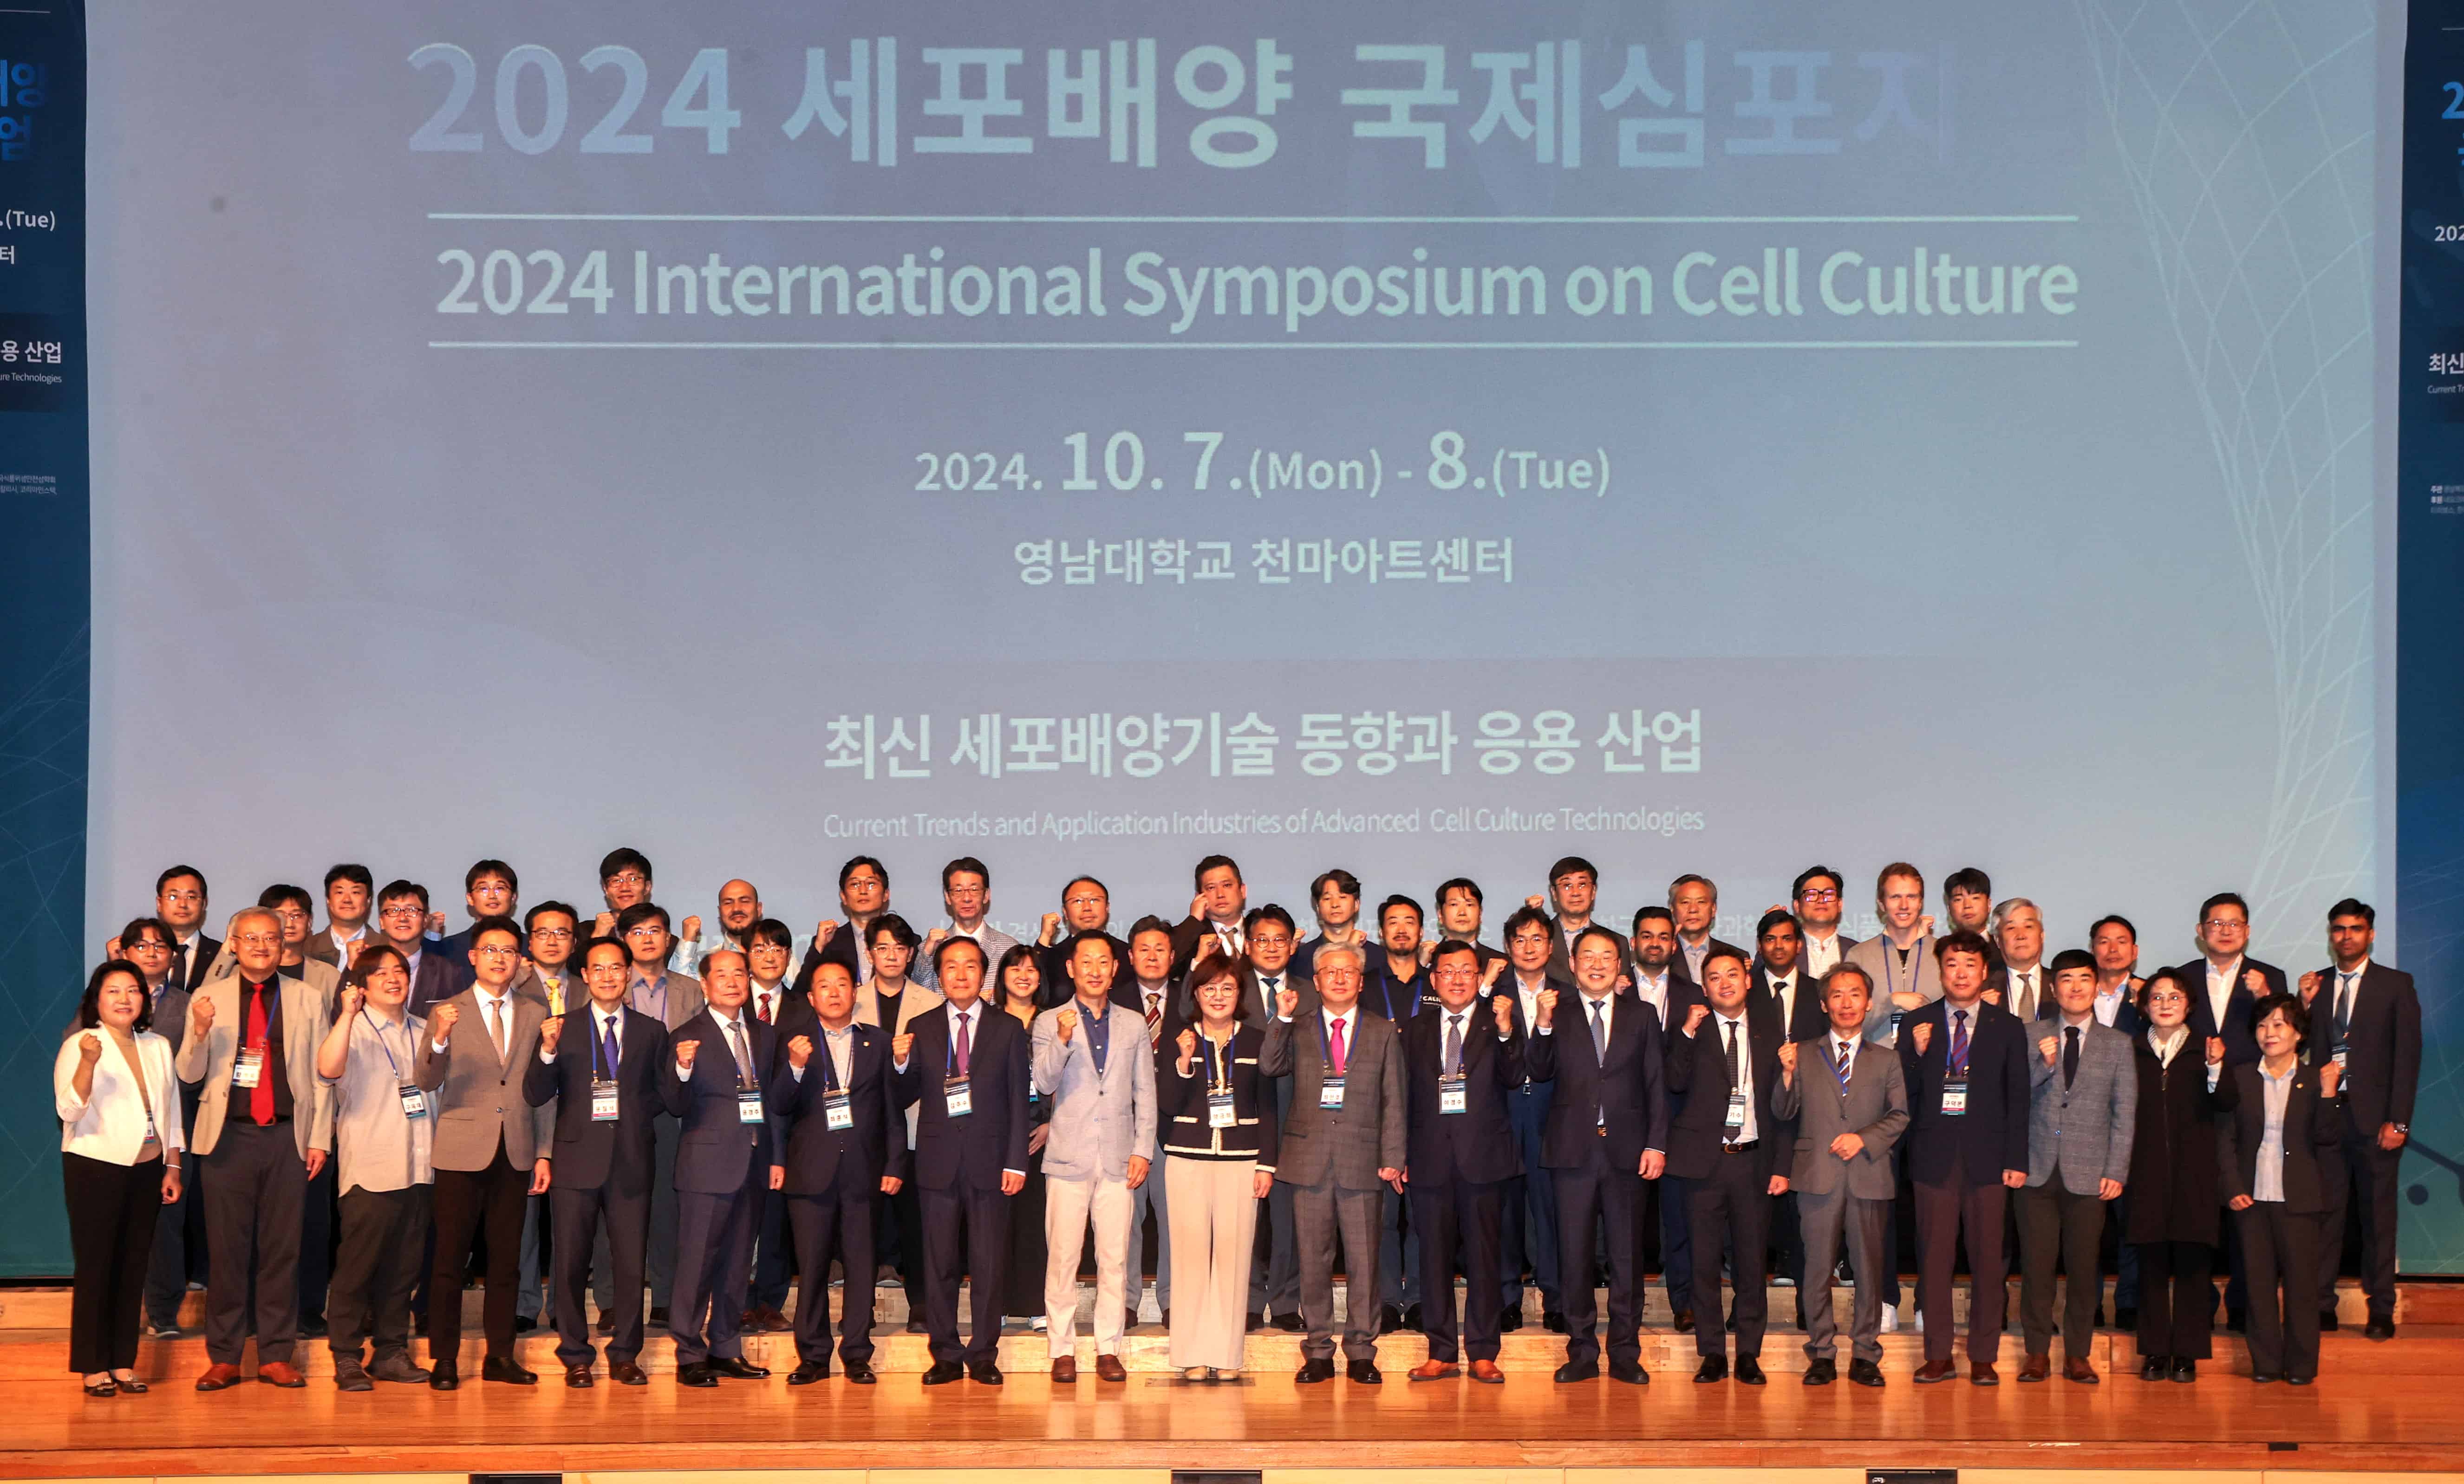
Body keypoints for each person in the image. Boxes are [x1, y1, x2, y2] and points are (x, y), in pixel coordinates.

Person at [176, 905, 332, 1392]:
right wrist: (200, 1031)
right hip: (228, 1138)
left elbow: (323, 1076)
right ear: (234, 944)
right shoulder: (208, 997)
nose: (262, 946)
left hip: (288, 1136)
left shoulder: (307, 998)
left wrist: (319, 1137)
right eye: (251, 938)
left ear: (283, 944)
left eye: (271, 938)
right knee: (227, 1251)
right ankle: (224, 1356)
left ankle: (276, 1355)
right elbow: (188, 1073)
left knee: (282, 1251)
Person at [1525, 924, 1669, 1385]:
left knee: (1627, 1257)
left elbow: (1655, 1083)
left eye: (1606, 956)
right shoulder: (1556, 1011)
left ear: (1619, 964)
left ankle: (1625, 1352)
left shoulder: (1642, 1014)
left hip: (1627, 1152)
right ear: (1571, 964)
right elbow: (1538, 1070)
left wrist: (1656, 1143)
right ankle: (1582, 1351)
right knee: (1574, 1257)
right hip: (1571, 1152)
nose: (1596, 964)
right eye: (1587, 956)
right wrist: (1542, 1024)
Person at [1259, 943, 1407, 1385]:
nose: (1340, 978)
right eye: (1330, 972)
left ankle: (1362, 1351)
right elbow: (1269, 1066)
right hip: (1308, 1160)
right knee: (1312, 1261)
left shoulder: (1383, 1031)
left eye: (1348, 972)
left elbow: (1394, 1098)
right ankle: (1319, 1350)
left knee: (1365, 1262)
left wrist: (1393, 1156)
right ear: (1316, 981)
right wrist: (1281, 1018)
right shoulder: (1298, 1026)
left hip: (1363, 1161)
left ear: (1361, 982)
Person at [413, 916, 551, 1389]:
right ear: (473, 957)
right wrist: (439, 1038)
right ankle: (445, 1359)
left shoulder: (535, 1012)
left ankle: (500, 1356)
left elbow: (542, 1090)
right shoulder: (447, 1010)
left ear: (519, 960)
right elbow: (426, 1079)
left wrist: (545, 1152)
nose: (499, 958)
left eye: (509, 951)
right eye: (491, 949)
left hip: (516, 1150)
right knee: (449, 1261)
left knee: (506, 1263)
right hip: (460, 1152)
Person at [523, 935, 665, 1387]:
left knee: (630, 1266)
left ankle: (626, 1354)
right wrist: (547, 1050)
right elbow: (535, 1093)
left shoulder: (651, 1031)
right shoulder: (560, 1027)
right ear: (584, 976)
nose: (607, 976)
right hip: (575, 1161)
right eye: (598, 968)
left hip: (631, 1161)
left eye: (616, 968)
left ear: (628, 974)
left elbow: (660, 1096)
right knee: (568, 1264)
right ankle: (575, 1355)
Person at [893, 936, 1030, 1386]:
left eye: (970, 965)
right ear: (940, 975)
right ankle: (946, 1354)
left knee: (987, 1263)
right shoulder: (922, 1025)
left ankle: (984, 1353)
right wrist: (900, 1063)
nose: (960, 974)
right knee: (939, 1263)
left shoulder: (1008, 1028)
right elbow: (902, 1095)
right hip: (936, 1161)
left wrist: (1016, 1161)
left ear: (983, 973)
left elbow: (1018, 1100)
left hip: (992, 1162)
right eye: (951, 966)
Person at [1899, 930, 2028, 1385]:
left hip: (1989, 1160)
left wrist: (2016, 1158)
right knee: (1934, 1262)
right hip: (1933, 1159)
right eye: (1951, 964)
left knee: (1989, 1263)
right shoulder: (1918, 1023)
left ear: (1983, 971)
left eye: (1969, 965)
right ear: (1941, 971)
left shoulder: (2007, 1026)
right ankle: (1938, 1355)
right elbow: (1902, 1094)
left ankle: (1983, 1356)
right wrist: (1917, 1055)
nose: (1960, 973)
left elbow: (2018, 1098)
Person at [770, 958, 906, 1384]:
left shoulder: (877, 1042)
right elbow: (778, 1105)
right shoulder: (792, 1042)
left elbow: (892, 1110)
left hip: (864, 1170)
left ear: (854, 993)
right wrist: (794, 1066)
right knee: (812, 1268)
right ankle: (813, 1355)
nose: (833, 992)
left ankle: (858, 1353)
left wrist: (895, 1162)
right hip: (810, 1171)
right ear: (811, 998)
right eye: (824, 986)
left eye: (842, 984)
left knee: (862, 1266)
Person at [1033, 931, 1159, 1383]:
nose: (1094, 970)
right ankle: (1062, 1349)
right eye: (1085, 961)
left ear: (1115, 968)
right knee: (1063, 1258)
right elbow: (1043, 1083)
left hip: (1118, 1158)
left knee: (1114, 1259)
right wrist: (1063, 1039)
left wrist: (1143, 1149)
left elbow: (1145, 1091)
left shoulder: (1133, 1023)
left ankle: (1109, 1348)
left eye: (1103, 961)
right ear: (1070, 968)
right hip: (1068, 1157)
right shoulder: (1049, 1021)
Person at [1665, 946, 1794, 1385]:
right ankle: (1712, 1353)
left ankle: (1749, 1354)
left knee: (1751, 1265)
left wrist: (1782, 1166)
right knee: (1703, 1265)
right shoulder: (1690, 1029)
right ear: (1704, 988)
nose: (1725, 983)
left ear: (1748, 981)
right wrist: (1685, 1032)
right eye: (1715, 977)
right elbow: (1673, 1082)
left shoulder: (1770, 1032)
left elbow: (1784, 1109)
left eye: (1732, 975)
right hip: (1703, 1165)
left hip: (1753, 1163)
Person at [58, 959, 184, 1396]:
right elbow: (68, 1110)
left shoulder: (158, 1046)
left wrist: (173, 1165)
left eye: (133, 990)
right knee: (97, 1266)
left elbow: (171, 1110)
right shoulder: (80, 1044)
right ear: (96, 999)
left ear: (144, 1000)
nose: (124, 999)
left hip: (147, 1167)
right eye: (113, 991)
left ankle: (122, 1362)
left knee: (133, 1267)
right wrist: (88, 1063)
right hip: (95, 1165)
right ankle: (93, 1366)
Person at [312, 944, 435, 1390]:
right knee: (357, 1269)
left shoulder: (426, 1030)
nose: (393, 978)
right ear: (361, 985)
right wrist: (347, 1015)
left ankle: (390, 1352)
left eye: (400, 970)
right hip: (371, 1166)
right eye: (381, 973)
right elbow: (327, 1070)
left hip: (422, 1166)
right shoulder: (353, 1028)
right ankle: (346, 1355)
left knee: (404, 1269)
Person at [1398, 941, 1522, 1383]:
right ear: (1434, 979)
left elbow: (1516, 1077)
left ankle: (1484, 1352)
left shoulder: (1497, 1022)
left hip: (1484, 1160)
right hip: (1428, 1159)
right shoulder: (1413, 1030)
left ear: (1479, 978)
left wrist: (1507, 1032)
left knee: (1485, 1258)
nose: (1457, 979)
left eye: (1467, 971)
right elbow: (1402, 1097)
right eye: (1448, 971)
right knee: (1432, 1259)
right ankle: (1441, 1351)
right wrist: (1399, 1154)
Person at [2015, 948, 2137, 1384]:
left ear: (2096, 986)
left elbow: (2124, 1113)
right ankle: (2036, 1353)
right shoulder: (2029, 1036)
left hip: (2090, 1174)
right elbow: (2013, 1099)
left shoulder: (2118, 1044)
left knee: (2085, 1270)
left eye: (2085, 978)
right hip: (2035, 1170)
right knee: (2037, 1269)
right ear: (2054, 987)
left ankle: (2078, 1355)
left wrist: (2117, 1170)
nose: (2076, 987)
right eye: (2066, 979)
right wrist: (2044, 1066)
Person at [659, 949, 780, 1386]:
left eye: (739, 974)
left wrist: (777, 1158)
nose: (732, 982)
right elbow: (673, 1103)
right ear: (705, 985)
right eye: (722, 975)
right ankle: (690, 1353)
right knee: (697, 1264)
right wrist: (683, 1068)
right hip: (706, 1167)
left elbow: (774, 1104)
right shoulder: (686, 1036)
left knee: (736, 1265)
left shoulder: (765, 1036)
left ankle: (726, 1348)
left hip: (754, 1163)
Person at [2303, 898, 2418, 1341]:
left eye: (2355, 929)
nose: (2346, 936)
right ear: (2330, 935)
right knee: (2325, 1216)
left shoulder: (2396, 984)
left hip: (2377, 1122)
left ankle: (2381, 1309)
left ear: (2370, 935)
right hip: (2327, 1116)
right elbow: (2299, 1047)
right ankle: (2321, 1306)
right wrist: (2303, 1004)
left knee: (2378, 1217)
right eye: (2339, 929)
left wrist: (2399, 1122)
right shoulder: (2316, 986)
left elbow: (2407, 1058)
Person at [1785, 965, 1906, 1387]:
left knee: (1869, 1269)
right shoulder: (1801, 1054)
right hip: (1817, 1175)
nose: (1846, 1003)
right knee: (1817, 1269)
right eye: (1837, 995)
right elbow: (1783, 1110)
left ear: (1868, 1003)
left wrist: (1863, 1139)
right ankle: (1821, 1353)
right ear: (1824, 1005)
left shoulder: (1887, 1059)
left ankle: (1866, 1354)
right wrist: (1786, 1075)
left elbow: (1900, 1115)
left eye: (1855, 994)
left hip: (1869, 1174)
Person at [1160, 951, 1278, 1380]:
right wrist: (1184, 1062)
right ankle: (1191, 1355)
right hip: (1186, 1159)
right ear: (1196, 994)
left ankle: (1227, 1356)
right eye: (1209, 988)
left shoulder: (1257, 1040)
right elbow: (1167, 1103)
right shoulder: (1179, 1037)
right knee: (1189, 1258)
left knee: (1234, 1257)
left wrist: (1267, 1164)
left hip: (1241, 1160)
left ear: (1239, 994)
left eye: (1227, 988)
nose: (1218, 996)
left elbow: (1268, 1107)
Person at [2219, 993, 2344, 1385]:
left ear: (2298, 1034)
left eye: (2278, 1024)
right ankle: (2267, 1364)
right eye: (2262, 1025)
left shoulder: (2315, 1079)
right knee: (2258, 1287)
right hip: (2252, 1198)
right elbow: (2225, 1139)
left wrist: (2329, 1093)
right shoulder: (2240, 1077)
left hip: (2300, 1199)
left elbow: (2327, 1139)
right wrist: (2232, 1186)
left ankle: (2302, 1366)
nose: (2269, 1033)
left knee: (2302, 1289)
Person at [2124, 970, 2230, 1381]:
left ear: (2189, 1005)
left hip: (2195, 1175)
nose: (2165, 1004)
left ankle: (2187, 1352)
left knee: (2193, 1266)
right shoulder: (2131, 1051)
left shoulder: (2207, 1049)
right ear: (2144, 1006)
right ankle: (2154, 1351)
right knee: (2150, 1267)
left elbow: (2228, 1102)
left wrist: (2216, 1067)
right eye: (2156, 997)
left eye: (2175, 997)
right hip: (2145, 1173)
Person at [619, 900, 705, 1326]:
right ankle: (617, 1303)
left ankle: (666, 1298)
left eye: (655, 931)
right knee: (622, 1206)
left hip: (674, 1109)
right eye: (637, 932)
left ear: (669, 939)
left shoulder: (691, 989)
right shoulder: (613, 982)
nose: (647, 939)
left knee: (668, 1207)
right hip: (621, 1108)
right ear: (624, 940)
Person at [1491, 905, 1566, 1334]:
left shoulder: (1569, 995)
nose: (1529, 947)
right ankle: (1507, 1299)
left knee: (1551, 1211)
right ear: (1508, 947)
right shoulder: (1490, 994)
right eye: (1520, 940)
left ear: (1551, 947)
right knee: (1505, 1212)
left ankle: (1556, 1298)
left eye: (1537, 939)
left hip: (1550, 1114)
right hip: (1503, 1114)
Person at [1627, 905, 1700, 1331]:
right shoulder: (1612, 989)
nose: (1655, 944)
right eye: (1647, 936)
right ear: (1633, 942)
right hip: (1621, 1120)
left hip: (1676, 1120)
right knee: (1624, 1221)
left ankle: (1684, 1302)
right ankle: (1626, 1307)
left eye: (1663, 937)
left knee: (1679, 1218)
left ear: (1674, 944)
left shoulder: (1695, 995)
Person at [1362, 893, 1429, 1332]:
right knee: (1381, 1218)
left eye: (1409, 922)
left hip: (1430, 1114)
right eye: (1393, 922)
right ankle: (1387, 1300)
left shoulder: (1438, 982)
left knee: (1424, 1217)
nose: (1401, 929)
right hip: (1374, 1113)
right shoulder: (1365, 985)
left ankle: (1421, 1299)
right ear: (1381, 931)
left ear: (1422, 931)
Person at [1242, 904, 1304, 1331]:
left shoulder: (1311, 993)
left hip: (1296, 1118)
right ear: (1247, 946)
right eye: (1261, 939)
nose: (1270, 947)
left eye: (1279, 939)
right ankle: (1246, 1300)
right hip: (1241, 1116)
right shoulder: (1229, 989)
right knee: (1244, 1218)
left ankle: (1285, 1302)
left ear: (1292, 945)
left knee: (1289, 1220)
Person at [739, 917, 801, 1334]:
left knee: (777, 1220)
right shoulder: (731, 999)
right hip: (737, 1129)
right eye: (760, 948)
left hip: (789, 1128)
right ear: (747, 955)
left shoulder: (804, 1006)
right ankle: (740, 1301)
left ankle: (771, 1302)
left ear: (788, 956)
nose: (769, 956)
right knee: (740, 1219)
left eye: (777, 949)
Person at [1122, 914, 1181, 1328]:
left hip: (1177, 1126)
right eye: (1144, 949)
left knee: (1174, 1221)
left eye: (1160, 949)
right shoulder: (1112, 1000)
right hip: (1124, 1128)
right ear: (1130, 956)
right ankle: (1125, 1301)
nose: (1152, 956)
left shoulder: (1193, 998)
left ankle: (1173, 1300)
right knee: (1125, 1221)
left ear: (1173, 956)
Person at [993, 947, 1056, 1333]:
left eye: (1031, 970)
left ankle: (1035, 1304)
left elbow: (1069, 1078)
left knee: (1036, 1222)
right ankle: (998, 1303)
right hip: (997, 1136)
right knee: (996, 1224)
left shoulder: (1054, 1021)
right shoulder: (988, 1020)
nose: (1023, 975)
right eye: (1015, 968)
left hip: (1042, 1135)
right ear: (1002, 976)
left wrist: (1052, 1125)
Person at [2178, 892, 2284, 1067]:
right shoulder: (2182, 978)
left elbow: (2285, 1036)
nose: (2226, 931)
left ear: (2247, 931)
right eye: (2217, 924)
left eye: (2234, 924)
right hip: (2193, 1076)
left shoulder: (2272, 977)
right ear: (2201, 931)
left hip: (2252, 1077)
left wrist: (2264, 996)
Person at [1847, 862, 1938, 1047]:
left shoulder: (1943, 953)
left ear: (1921, 902)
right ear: (1882, 904)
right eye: (1895, 897)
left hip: (1931, 1060)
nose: (1904, 906)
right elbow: (1847, 1028)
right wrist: (1891, 1002)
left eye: (1911, 897)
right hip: (1874, 1061)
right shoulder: (1859, 956)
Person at [913, 857, 1021, 989]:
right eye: (958, 891)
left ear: (986, 895)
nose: (967, 898)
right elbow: (917, 992)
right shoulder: (931, 947)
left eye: (974, 890)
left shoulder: (1008, 947)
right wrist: (927, 954)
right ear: (948, 897)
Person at [795, 855, 893, 996]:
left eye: (871, 884)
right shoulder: (829, 942)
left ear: (886, 894)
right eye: (855, 885)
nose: (863, 891)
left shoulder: (907, 941)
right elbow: (800, 994)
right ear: (844, 897)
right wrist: (819, 947)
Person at [1033, 876, 1130, 1008]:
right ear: (1065, 912)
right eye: (1078, 901)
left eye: (1094, 900)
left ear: (1107, 907)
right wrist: (1045, 937)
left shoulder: (1128, 954)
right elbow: (1035, 990)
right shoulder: (1052, 956)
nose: (1087, 908)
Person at [435, 860, 521, 992]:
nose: (492, 896)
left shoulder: (530, 947)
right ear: (470, 898)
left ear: (513, 897)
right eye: (484, 889)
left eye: (500, 888)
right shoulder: (450, 948)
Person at [1173, 853, 1251, 965]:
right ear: (1199, 897)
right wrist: (1194, 920)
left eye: (1227, 885)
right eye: (1211, 888)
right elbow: (1166, 964)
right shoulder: (1189, 936)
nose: (1220, 895)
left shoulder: (1260, 931)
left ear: (1243, 891)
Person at [1293, 867, 1369, 982]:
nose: (1335, 905)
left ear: (1357, 904)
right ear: (1318, 908)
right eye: (1327, 898)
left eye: (1342, 897)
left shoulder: (1378, 955)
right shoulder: (1302, 957)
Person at [1668, 874, 1744, 987]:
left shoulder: (1737, 956)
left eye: (1701, 902)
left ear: (1713, 909)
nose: (1693, 909)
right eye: (1685, 902)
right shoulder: (1662, 956)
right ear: (1672, 909)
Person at [154, 866, 220, 996]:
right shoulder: (142, 954)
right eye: (173, 897)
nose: (183, 904)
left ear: (204, 904)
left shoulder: (222, 956)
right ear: (159, 903)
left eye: (191, 897)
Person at [1988, 900, 2052, 1022]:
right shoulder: (1982, 988)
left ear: (2042, 936)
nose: (2021, 936)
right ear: (1997, 940)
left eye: (2028, 927)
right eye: (2011, 928)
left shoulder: (2061, 984)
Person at [1792, 866, 1859, 979]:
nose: (1821, 900)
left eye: (1829, 894)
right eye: (1812, 894)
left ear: (1840, 904)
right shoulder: (1784, 951)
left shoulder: (1858, 951)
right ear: (1797, 906)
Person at [306, 864, 373, 973]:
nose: (347, 900)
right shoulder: (307, 948)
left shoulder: (386, 947)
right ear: (328, 900)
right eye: (340, 892)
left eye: (355, 892)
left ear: (368, 900)